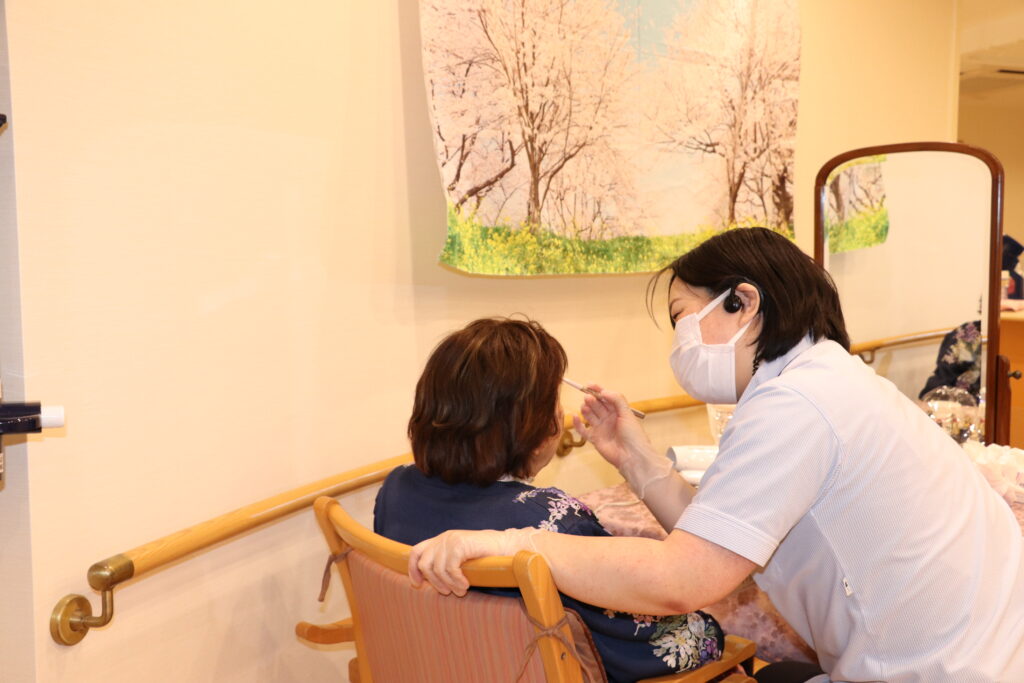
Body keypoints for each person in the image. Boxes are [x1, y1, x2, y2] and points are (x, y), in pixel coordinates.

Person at [408, 228, 1024, 683]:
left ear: (743, 302)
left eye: (682, 317)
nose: (678, 344)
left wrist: (517, 543)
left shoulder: (795, 405)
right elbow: (721, 535)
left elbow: (681, 580)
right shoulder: (819, 382)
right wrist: (636, 459)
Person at [375, 317, 726, 683]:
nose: (560, 413)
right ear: (533, 428)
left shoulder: (396, 490)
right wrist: (712, 631)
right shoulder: (555, 521)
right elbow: (648, 639)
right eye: (554, 401)